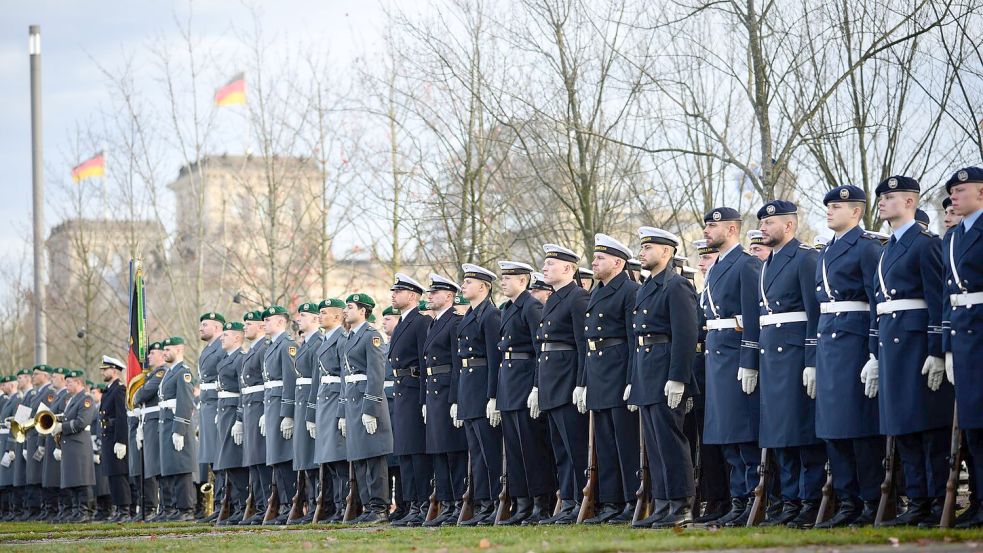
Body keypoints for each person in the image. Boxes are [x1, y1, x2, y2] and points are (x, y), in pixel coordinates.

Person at [871, 175, 952, 526]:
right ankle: (916, 500)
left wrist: (936, 349)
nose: (882, 203)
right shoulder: (888, 246)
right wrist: (875, 353)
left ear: (909, 202)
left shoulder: (924, 243)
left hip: (917, 344)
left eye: (889, 198)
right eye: (881, 199)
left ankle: (935, 502)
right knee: (903, 426)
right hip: (892, 343)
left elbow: (938, 300)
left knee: (926, 427)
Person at [813, 185, 885, 527]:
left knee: (858, 427)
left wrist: (874, 351)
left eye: (836, 206)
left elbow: (877, 302)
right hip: (829, 343)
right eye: (827, 206)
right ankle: (847, 500)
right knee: (832, 427)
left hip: (854, 341)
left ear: (855, 212)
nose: (829, 211)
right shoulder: (827, 250)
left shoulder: (867, 248)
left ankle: (871, 500)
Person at [755, 200, 825, 528]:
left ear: (789, 226)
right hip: (772, 356)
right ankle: (790, 501)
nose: (763, 229)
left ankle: (809, 501)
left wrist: (811, 358)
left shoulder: (806, 258)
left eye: (770, 224)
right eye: (762, 224)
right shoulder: (769, 263)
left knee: (801, 432)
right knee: (780, 433)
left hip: (795, 354)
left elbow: (815, 313)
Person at [628, 228, 699, 528]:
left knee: (671, 441)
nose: (642, 252)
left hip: (665, 369)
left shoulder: (677, 286)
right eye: (642, 247)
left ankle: (681, 505)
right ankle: (661, 504)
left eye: (649, 247)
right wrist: (633, 379)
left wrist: (678, 377)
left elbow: (685, 334)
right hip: (646, 370)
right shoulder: (646, 287)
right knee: (654, 445)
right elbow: (637, 338)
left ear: (667, 252)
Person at [700, 208, 763, 527]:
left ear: (733, 229)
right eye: (707, 225)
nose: (708, 230)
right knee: (726, 435)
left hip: (736, 355)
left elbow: (752, 318)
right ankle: (738, 500)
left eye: (714, 226)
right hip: (718, 357)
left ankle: (752, 498)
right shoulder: (717, 267)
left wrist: (750, 360)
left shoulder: (746, 263)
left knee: (743, 435)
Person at [578, 235, 640, 525]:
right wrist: (584, 381)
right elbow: (588, 341)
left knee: (624, 441)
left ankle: (631, 500)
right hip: (599, 372)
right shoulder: (597, 291)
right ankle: (610, 503)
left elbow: (633, 338)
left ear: (618, 262)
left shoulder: (629, 290)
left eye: (600, 258)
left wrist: (631, 378)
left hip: (618, 370)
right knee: (603, 443)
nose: (594, 262)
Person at [531, 243, 590, 525]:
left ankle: (581, 499)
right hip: (551, 381)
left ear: (568, 268)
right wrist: (537, 386)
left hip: (567, 382)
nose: (544, 269)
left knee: (574, 445)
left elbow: (582, 344)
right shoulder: (553, 299)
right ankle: (567, 500)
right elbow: (542, 347)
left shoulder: (577, 297)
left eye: (550, 264)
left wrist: (581, 382)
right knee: (560, 447)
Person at [494, 261, 556, 525]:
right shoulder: (508, 308)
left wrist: (536, 385)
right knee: (516, 451)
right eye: (503, 277)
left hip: (524, 381)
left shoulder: (531, 307)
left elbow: (539, 349)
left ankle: (540, 504)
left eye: (509, 277)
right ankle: (522, 504)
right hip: (509, 384)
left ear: (523, 280)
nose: (503, 281)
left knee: (532, 449)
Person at [942, 167, 983, 528]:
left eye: (961, 189)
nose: (954, 196)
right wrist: (947, 347)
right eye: (951, 191)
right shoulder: (952, 238)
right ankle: (980, 500)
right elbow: (946, 297)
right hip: (964, 336)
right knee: (973, 425)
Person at [454, 263, 504, 526]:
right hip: (468, 389)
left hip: (483, 387)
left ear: (483, 287)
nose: (463, 286)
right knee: (477, 452)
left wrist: (493, 396)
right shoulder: (469, 316)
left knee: (490, 451)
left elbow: (495, 359)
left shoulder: (491, 315)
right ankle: (483, 503)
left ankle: (497, 501)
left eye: (468, 282)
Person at [340, 293, 394, 524]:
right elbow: (345, 377)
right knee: (359, 458)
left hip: (367, 400)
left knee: (374, 457)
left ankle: (380, 507)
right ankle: (367, 506)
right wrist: (343, 412)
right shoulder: (350, 337)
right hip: (352, 402)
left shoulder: (371, 336)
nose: (345, 311)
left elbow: (376, 374)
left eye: (350, 307)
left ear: (363, 311)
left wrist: (370, 408)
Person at [386, 275, 434, 527]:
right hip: (402, 390)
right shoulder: (404, 322)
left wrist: (425, 398)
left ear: (413, 296)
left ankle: (422, 504)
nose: (393, 295)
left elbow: (425, 361)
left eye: (399, 291)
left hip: (415, 389)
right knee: (404, 451)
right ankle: (410, 504)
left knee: (416, 451)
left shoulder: (420, 321)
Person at [422, 274, 469, 527]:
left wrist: (455, 399)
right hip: (432, 391)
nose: (429, 296)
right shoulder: (434, 323)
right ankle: (446, 503)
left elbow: (457, 363)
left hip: (446, 389)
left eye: (435, 292)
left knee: (453, 450)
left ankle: (458, 504)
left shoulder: (454, 322)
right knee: (438, 451)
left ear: (449, 297)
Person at [689, 239, 731, 523]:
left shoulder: (714, 294)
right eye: (701, 258)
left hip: (716, 369)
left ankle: (726, 499)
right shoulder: (700, 295)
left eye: (709, 257)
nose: (703, 263)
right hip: (702, 373)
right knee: (706, 444)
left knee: (721, 440)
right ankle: (713, 499)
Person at [260, 305, 299, 525]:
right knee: (275, 457)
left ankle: (290, 504)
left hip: (280, 405)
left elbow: (290, 381)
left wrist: (287, 413)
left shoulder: (287, 346)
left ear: (281, 323)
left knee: (283, 456)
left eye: (269, 320)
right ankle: (284, 503)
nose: (264, 323)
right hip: (271, 403)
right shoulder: (272, 346)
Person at [311, 298, 348, 523]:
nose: (320, 316)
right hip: (325, 399)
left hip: (335, 398)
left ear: (336, 316)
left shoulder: (342, 340)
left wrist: (342, 408)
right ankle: (336, 505)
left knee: (339, 458)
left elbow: (346, 374)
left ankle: (346, 504)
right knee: (330, 460)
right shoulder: (325, 340)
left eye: (324, 313)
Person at [158, 336, 198, 521]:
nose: (165, 353)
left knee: (182, 468)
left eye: (168, 349)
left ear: (179, 350)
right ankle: (175, 507)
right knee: (172, 467)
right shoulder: (170, 372)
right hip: (167, 423)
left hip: (177, 423)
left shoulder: (183, 372)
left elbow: (185, 402)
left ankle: (186, 509)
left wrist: (179, 430)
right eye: (164, 350)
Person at [290, 302, 322, 524]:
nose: (299, 319)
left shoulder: (318, 342)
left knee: (313, 459)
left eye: (303, 315)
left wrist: (311, 409)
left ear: (314, 320)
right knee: (305, 458)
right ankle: (310, 504)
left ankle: (319, 504)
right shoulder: (304, 343)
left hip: (313, 402)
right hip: (301, 402)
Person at [238, 311, 272, 525]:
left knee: (261, 458)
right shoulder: (253, 349)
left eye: (248, 323)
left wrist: (265, 413)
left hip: (260, 405)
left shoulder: (264, 348)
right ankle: (260, 505)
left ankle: (267, 504)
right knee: (254, 460)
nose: (245, 328)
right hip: (251, 407)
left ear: (260, 326)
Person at [215, 321, 249, 525]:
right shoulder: (227, 359)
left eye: (226, 335)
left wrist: (239, 417)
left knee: (234, 461)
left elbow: (242, 390)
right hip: (224, 409)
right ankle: (237, 505)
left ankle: (244, 505)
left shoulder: (240, 359)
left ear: (237, 338)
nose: (221, 337)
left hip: (233, 410)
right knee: (227, 462)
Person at [54, 370, 98, 522]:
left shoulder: (86, 399)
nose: (66, 385)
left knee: (82, 481)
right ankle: (75, 512)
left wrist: (62, 427)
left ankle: (84, 512)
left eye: (69, 382)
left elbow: (81, 422)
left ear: (78, 383)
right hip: (70, 444)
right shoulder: (72, 400)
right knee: (72, 481)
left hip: (79, 444)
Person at [197, 312, 226, 522]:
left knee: (221, 458)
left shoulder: (222, 347)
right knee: (213, 460)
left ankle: (225, 504)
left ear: (217, 327)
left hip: (218, 404)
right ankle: (218, 505)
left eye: (205, 325)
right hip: (207, 405)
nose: (201, 328)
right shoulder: (209, 349)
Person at [136, 342, 166, 521]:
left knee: (157, 467)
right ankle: (158, 507)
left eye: (152, 353)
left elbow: (143, 394)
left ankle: (160, 506)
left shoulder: (161, 372)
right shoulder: (153, 374)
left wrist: (139, 392)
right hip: (148, 422)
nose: (148, 357)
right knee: (152, 468)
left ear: (162, 355)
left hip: (155, 421)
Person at [100, 357, 131, 521]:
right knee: (112, 474)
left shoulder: (119, 389)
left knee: (119, 474)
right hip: (108, 437)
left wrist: (121, 441)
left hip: (115, 437)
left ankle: (124, 509)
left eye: (105, 369)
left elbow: (121, 417)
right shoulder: (108, 390)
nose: (103, 372)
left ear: (114, 370)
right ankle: (119, 508)